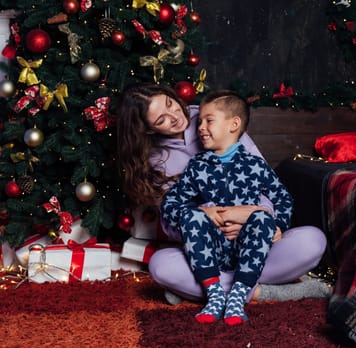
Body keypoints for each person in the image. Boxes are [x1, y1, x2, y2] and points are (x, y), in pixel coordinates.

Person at [115, 82, 329, 308]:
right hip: (206, 251)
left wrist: (259, 217)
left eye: (171, 104)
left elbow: (266, 186)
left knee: (313, 241)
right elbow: (171, 219)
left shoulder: (215, 114)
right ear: (148, 129)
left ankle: (196, 289)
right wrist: (208, 218)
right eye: (161, 120)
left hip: (254, 240)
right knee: (160, 266)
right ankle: (260, 292)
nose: (175, 116)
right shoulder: (155, 160)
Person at [161, 90, 294, 325]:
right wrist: (200, 213)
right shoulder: (197, 166)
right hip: (212, 249)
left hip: (249, 248)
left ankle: (238, 294)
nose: (200, 127)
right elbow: (171, 205)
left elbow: (283, 198)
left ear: (234, 124)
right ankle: (213, 294)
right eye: (199, 121)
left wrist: (279, 225)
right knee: (189, 216)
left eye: (208, 121)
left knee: (264, 218)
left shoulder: (255, 165)